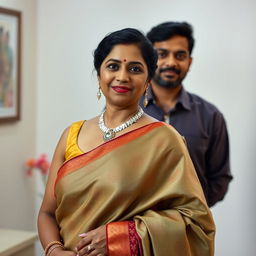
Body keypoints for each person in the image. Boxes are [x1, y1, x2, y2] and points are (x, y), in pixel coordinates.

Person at [38, 28, 215, 256]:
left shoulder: (164, 139)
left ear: (148, 80)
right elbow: (47, 214)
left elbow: (196, 222)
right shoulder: (71, 134)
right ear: (99, 73)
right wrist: (54, 251)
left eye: (135, 69)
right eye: (113, 66)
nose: (122, 76)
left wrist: (120, 237)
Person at [140, 22, 233, 207]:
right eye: (162, 54)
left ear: (189, 62)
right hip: (134, 229)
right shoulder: (127, 110)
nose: (171, 62)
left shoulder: (210, 116)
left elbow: (220, 179)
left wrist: (191, 210)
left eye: (180, 55)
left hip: (190, 230)